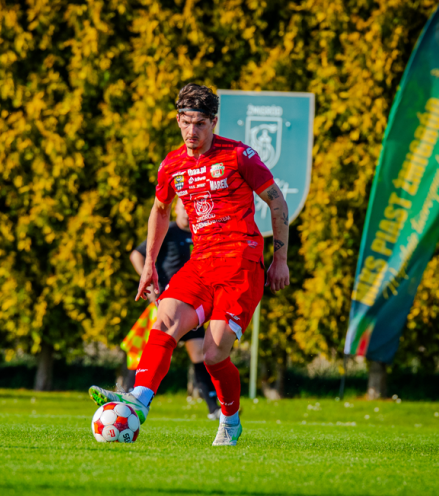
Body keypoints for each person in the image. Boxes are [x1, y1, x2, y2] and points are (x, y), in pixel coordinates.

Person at [90, 83, 290, 446]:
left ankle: (230, 419)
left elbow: (277, 203)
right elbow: (160, 210)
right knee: (164, 319)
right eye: (185, 122)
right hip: (201, 263)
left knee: (213, 354)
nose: (191, 131)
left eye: (199, 123)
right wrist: (149, 264)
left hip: (241, 265)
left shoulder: (239, 155)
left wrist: (280, 259)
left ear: (214, 122)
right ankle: (139, 401)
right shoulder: (172, 164)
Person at [129, 197, 221, 420]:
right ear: (176, 209)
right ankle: (130, 396)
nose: (187, 213)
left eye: (191, 208)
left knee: (200, 352)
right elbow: (136, 254)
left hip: (191, 303)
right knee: (147, 349)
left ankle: (213, 408)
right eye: (183, 207)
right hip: (165, 302)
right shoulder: (168, 232)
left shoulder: (200, 234)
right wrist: (149, 285)